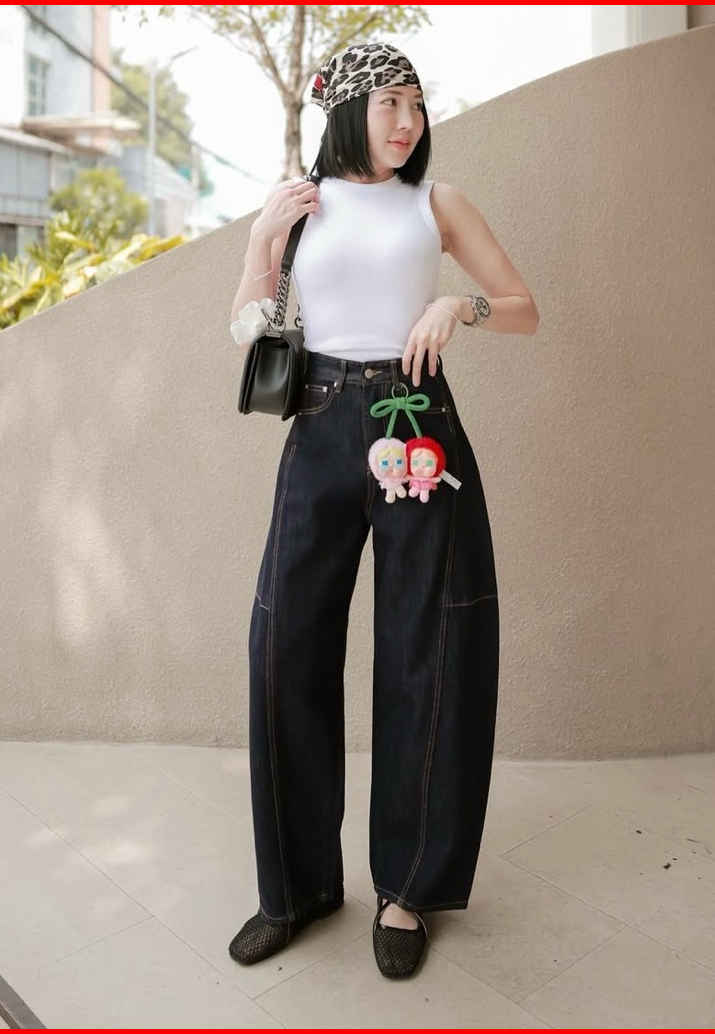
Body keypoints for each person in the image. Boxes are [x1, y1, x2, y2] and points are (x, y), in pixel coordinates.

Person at [227, 42, 540, 979]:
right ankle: (296, 890)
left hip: (418, 422)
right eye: (388, 102)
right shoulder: (302, 203)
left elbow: (523, 305)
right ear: (348, 109)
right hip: (320, 424)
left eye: (416, 102)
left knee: (427, 650)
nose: (407, 121)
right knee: (286, 648)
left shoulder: (437, 202)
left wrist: (458, 309)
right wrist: (260, 242)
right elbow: (247, 327)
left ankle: (408, 890)